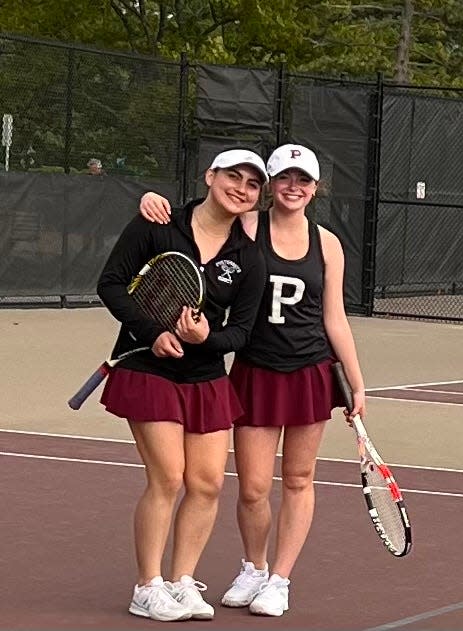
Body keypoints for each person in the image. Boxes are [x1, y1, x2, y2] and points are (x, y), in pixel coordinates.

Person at [139, 143, 366, 617]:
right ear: (271, 185)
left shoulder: (327, 243)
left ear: (315, 188)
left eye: (303, 180)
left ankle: (280, 580)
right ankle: (255, 567)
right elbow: (200, 222)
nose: (293, 187)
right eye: (284, 178)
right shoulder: (247, 226)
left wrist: (357, 382)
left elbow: (335, 318)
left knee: (300, 478)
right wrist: (150, 202)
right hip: (254, 370)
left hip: (309, 373)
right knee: (252, 487)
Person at [97, 148, 267, 622]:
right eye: (233, 177)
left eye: (252, 185)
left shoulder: (247, 256)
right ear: (210, 176)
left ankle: (181, 582)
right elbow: (111, 283)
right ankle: (147, 586)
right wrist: (153, 334)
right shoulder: (159, 222)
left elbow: (243, 332)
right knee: (168, 476)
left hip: (205, 376)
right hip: (147, 368)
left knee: (208, 483)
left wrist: (206, 337)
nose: (241, 189)